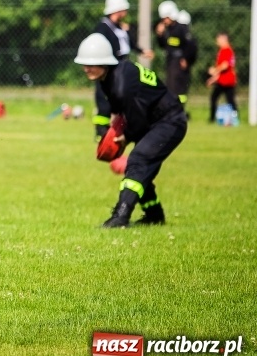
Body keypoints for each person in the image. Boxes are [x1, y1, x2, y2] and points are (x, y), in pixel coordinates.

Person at [74, 33, 187, 227]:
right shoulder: (111, 77)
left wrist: (126, 137)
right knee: (141, 169)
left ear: (104, 62)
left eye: (91, 63)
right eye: (84, 63)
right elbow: (123, 112)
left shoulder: (121, 83)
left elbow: (137, 118)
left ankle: (121, 216)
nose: (86, 68)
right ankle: (154, 215)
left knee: (138, 160)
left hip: (169, 121)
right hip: (153, 120)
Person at [91, 0, 154, 140]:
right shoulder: (103, 28)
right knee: (105, 99)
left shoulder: (120, 28)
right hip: (108, 67)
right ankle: (101, 132)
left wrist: (141, 51)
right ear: (116, 10)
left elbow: (128, 43)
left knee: (124, 98)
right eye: (123, 9)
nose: (125, 12)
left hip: (122, 65)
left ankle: (124, 130)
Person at [154, 0, 197, 109]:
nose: (164, 21)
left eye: (165, 18)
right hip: (171, 61)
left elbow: (191, 45)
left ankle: (179, 109)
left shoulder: (181, 28)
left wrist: (185, 58)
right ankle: (173, 109)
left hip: (179, 62)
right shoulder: (167, 30)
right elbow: (163, 45)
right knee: (171, 86)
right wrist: (159, 35)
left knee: (179, 88)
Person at [206, 32, 238, 123]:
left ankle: (235, 117)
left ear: (224, 40)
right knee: (214, 98)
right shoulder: (221, 51)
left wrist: (214, 70)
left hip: (227, 81)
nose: (217, 42)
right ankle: (212, 119)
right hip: (221, 80)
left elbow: (225, 65)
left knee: (230, 100)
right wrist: (212, 79)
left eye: (219, 39)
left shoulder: (227, 51)